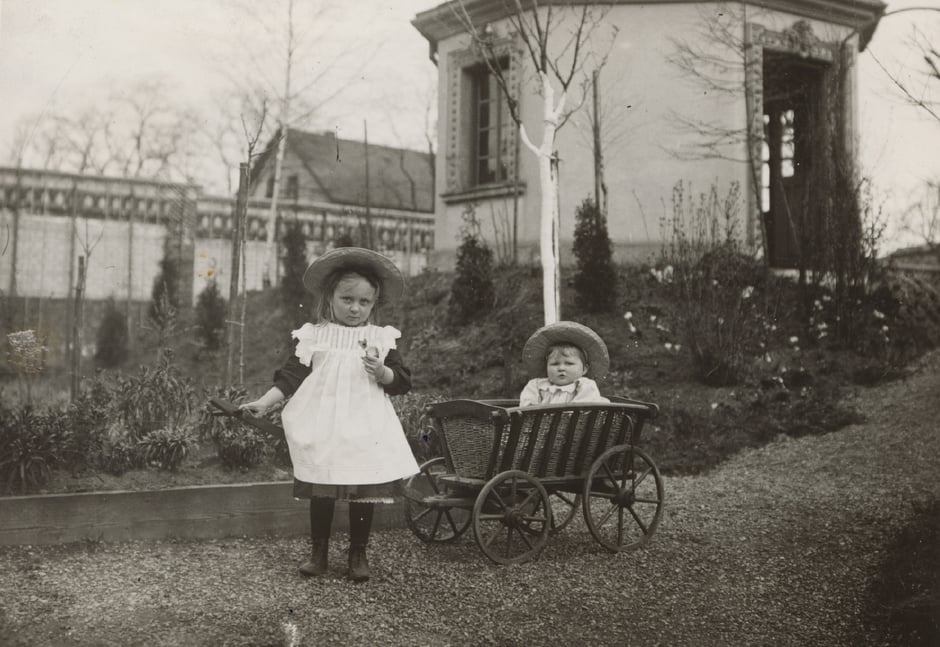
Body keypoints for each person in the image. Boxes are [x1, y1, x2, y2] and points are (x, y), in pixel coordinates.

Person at [241, 247, 418, 582]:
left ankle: (358, 554)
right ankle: (318, 552)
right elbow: (292, 375)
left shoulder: (380, 338)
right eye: (347, 299)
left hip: (365, 424)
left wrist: (382, 372)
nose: (355, 308)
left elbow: (402, 382)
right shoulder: (315, 335)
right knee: (322, 484)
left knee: (363, 485)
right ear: (331, 297)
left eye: (364, 303)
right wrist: (265, 402)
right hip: (323, 422)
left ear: (374, 304)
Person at [518, 321, 611, 407]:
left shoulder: (586, 385)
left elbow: (582, 409)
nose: (561, 368)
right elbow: (527, 407)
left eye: (569, 363)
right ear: (546, 366)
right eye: (554, 364)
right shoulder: (537, 385)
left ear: (584, 369)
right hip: (542, 423)